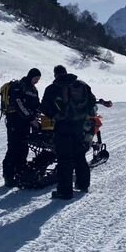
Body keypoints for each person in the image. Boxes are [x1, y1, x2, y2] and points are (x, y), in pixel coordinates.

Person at [41, 65, 97, 200]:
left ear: (55, 75)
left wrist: (54, 115)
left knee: (64, 159)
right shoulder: (81, 85)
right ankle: (83, 184)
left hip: (62, 127)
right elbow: (92, 101)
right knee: (79, 155)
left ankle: (64, 191)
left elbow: (44, 107)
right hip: (79, 126)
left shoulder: (53, 88)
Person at [2, 68, 41, 187]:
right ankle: (8, 176)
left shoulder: (33, 89)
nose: (37, 81)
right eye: (36, 78)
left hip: (25, 123)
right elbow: (19, 104)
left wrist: (39, 114)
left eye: (38, 79)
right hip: (15, 121)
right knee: (13, 148)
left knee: (23, 147)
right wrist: (31, 118)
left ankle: (20, 172)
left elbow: (36, 105)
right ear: (31, 76)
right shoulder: (19, 86)